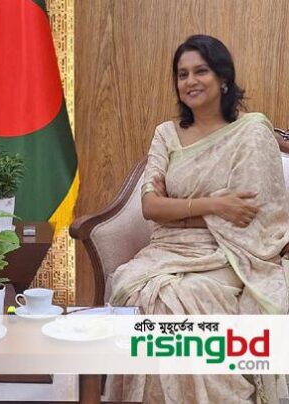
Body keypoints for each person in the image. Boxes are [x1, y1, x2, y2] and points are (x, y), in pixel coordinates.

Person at [107, 35, 289, 403]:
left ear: (223, 77)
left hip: (231, 254)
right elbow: (150, 207)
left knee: (181, 298)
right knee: (135, 289)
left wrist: (179, 210)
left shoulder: (252, 132)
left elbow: (251, 216)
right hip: (167, 249)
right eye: (182, 74)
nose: (190, 81)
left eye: (200, 71)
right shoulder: (166, 134)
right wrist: (215, 204)